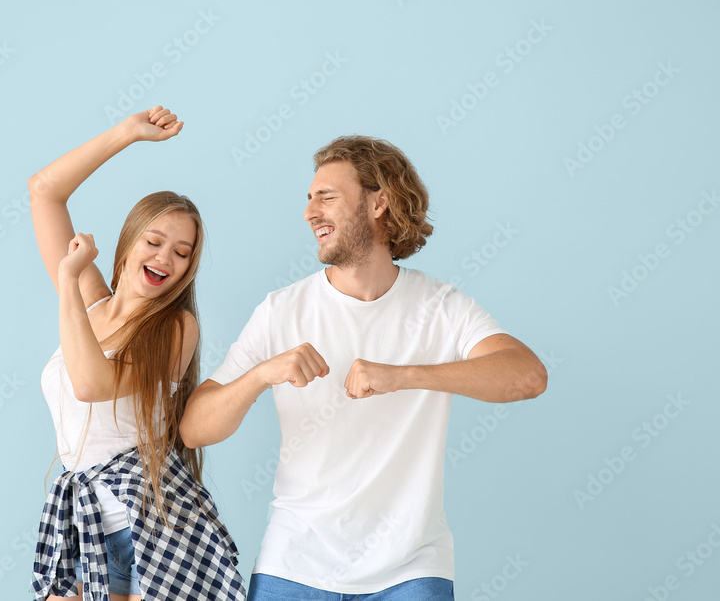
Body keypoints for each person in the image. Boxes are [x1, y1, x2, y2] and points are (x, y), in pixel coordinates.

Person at [180, 135, 548, 601]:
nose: (311, 212)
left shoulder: (440, 306)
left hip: (412, 567)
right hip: (294, 563)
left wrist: (404, 375)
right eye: (309, 199)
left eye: (327, 197)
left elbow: (527, 375)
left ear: (380, 202)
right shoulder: (281, 310)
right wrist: (260, 375)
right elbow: (194, 428)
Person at [29, 106, 246, 601]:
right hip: (81, 513)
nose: (165, 258)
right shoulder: (91, 304)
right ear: (128, 245)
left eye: (182, 252)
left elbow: (91, 385)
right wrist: (127, 133)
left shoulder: (175, 328)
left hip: (141, 521)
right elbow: (44, 191)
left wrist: (66, 279)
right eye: (155, 241)